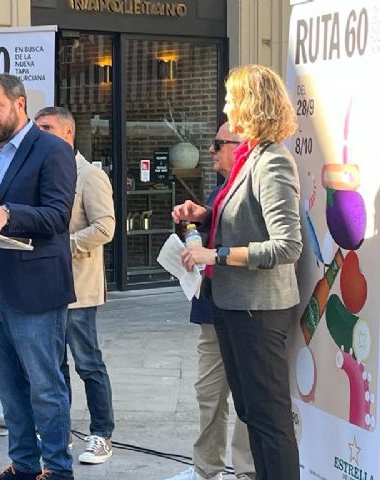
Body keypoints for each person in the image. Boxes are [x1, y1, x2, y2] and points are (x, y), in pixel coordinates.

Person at [174, 65, 302, 480]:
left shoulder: (273, 161)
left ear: (252, 103)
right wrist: (207, 213)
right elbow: (248, 218)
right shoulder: (252, 156)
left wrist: (218, 255)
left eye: (231, 99)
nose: (226, 106)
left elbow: (287, 245)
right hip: (233, 306)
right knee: (252, 412)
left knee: (269, 419)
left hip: (259, 310)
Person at [0, 74, 76, 480]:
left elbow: (57, 215)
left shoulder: (50, 150)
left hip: (34, 290)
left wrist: (10, 214)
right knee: (8, 388)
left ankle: (59, 470)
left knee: (45, 387)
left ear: (20, 104)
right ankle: (25, 464)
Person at [165, 123, 255, 480]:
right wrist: (197, 219)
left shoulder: (255, 187)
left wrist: (209, 248)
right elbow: (211, 234)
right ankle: (206, 470)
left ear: (240, 146)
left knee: (246, 397)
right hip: (211, 307)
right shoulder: (221, 191)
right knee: (208, 394)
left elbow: (255, 243)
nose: (212, 150)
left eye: (219, 144)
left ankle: (246, 472)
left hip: (246, 307)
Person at [34, 106, 116, 465]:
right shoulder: (38, 170)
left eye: (47, 128)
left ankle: (101, 433)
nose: (40, 134)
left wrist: (62, 246)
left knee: (87, 362)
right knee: (53, 366)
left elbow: (105, 227)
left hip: (79, 286)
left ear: (69, 133)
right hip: (43, 285)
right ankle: (59, 432)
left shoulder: (89, 175)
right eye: (37, 129)